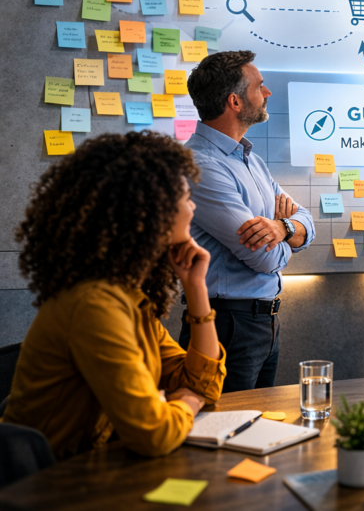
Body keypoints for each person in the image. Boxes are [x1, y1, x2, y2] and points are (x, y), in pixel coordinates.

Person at [1, 132, 225, 460]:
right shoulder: (95, 305)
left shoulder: (129, 297)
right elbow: (156, 434)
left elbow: (202, 384)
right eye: (185, 197)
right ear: (150, 211)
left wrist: (196, 287)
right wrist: (188, 402)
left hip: (92, 471)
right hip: (44, 488)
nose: (192, 206)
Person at [180, 51, 315, 392]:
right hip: (225, 324)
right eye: (260, 86)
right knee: (222, 434)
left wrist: (282, 228)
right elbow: (263, 257)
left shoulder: (250, 160)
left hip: (263, 323)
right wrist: (288, 236)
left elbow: (306, 220)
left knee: (256, 427)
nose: (267, 93)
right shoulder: (201, 166)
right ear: (235, 101)